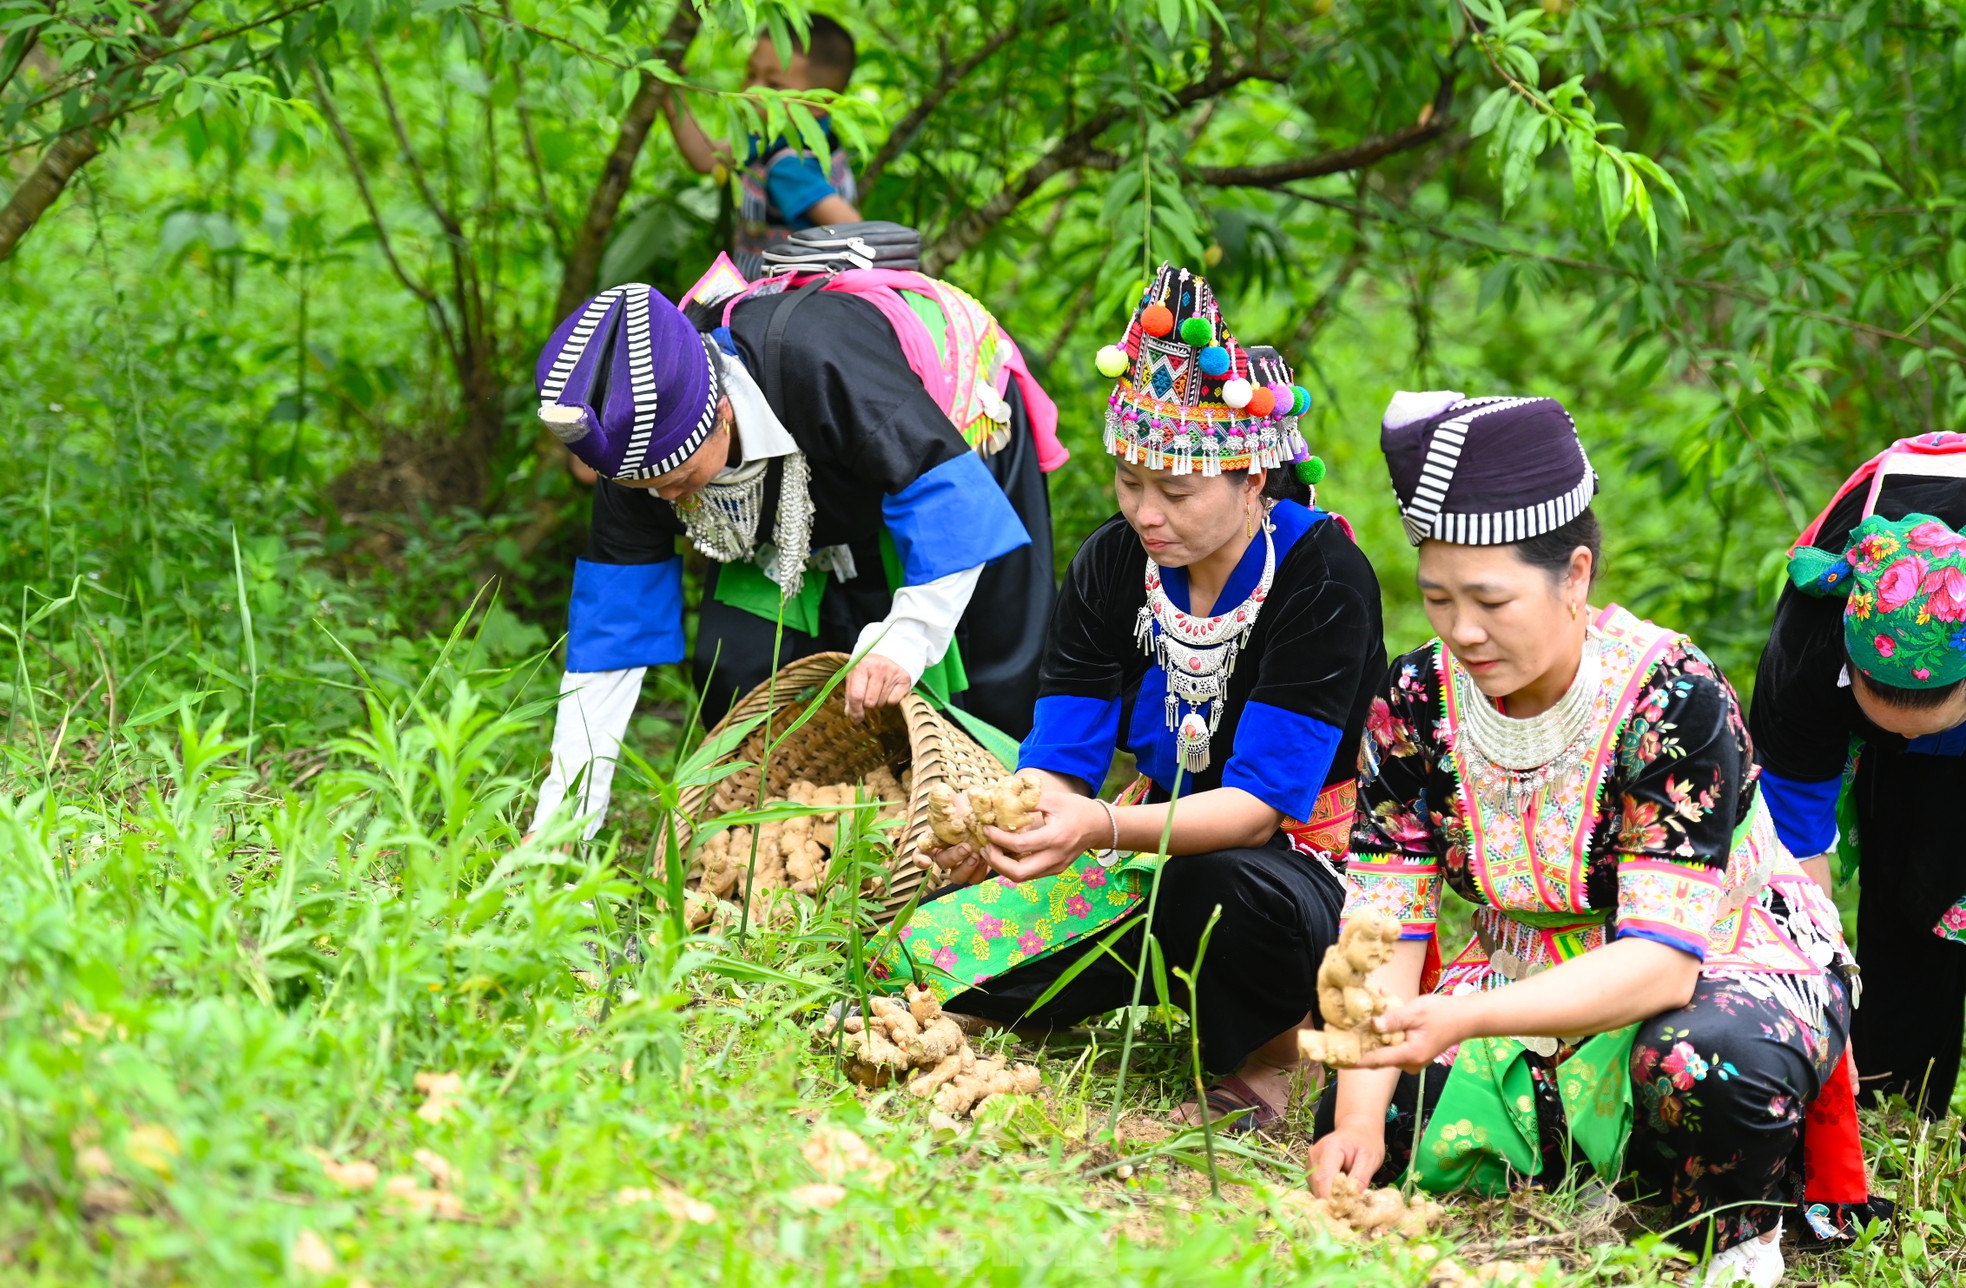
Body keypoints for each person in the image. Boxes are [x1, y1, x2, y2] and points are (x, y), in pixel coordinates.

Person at [1306, 392, 1869, 1286]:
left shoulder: (1669, 697)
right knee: (1377, 1112)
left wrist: (1465, 1016)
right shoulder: (1415, 699)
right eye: (1438, 597)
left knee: (1701, 1064)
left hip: (1719, 965)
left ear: (1574, 576)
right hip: (1521, 980)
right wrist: (1358, 1117)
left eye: (1490, 600)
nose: (1462, 630)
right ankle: (1614, 1154)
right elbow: (1380, 923)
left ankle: (1735, 1237)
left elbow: (1661, 964)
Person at [890, 263, 1387, 1130]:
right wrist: (1019, 822)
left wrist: (1098, 830)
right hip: (1146, 847)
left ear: (1251, 481)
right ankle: (1128, 977)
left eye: (1177, 490)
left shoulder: (1323, 576)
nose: (1146, 513)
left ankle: (1269, 1053)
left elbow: (1261, 810)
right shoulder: (1114, 562)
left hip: (1304, 866)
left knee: (1226, 891)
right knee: (930, 952)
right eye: (1129, 482)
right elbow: (1061, 760)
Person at [525, 268, 1060, 840]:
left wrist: (904, 639)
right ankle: (808, 833)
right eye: (648, 490)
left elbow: (947, 506)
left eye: (681, 480)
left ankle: (1005, 828)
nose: (666, 500)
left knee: (991, 667)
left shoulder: (819, 360)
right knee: (742, 666)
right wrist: (561, 823)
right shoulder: (628, 450)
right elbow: (611, 640)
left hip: (940, 426)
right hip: (800, 471)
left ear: (723, 414)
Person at [1750, 432, 1966, 1123]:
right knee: (1906, 888)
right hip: (1864, 722)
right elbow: (1796, 850)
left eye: (1926, 722)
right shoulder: (1806, 652)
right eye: (1890, 720)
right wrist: (1822, 981)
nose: (1904, 732)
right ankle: (1894, 1099)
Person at [663, 15, 863, 277]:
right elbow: (706, 157)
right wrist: (669, 94)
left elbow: (855, 231)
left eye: (774, 85)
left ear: (817, 104)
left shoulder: (789, 168)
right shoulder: (785, 137)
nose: (752, 91)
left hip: (779, 304)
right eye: (750, 74)